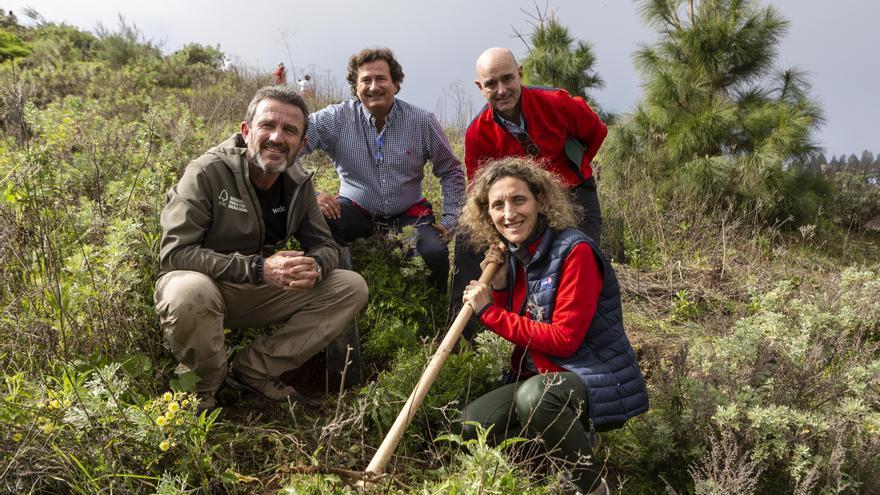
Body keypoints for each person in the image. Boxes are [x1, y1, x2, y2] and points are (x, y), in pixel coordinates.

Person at [155, 86, 368, 410]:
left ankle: (254, 370)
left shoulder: (299, 183)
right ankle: (201, 390)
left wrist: (316, 265)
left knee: (350, 287)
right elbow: (175, 253)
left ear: (301, 143)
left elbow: (325, 245)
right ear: (246, 130)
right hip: (207, 284)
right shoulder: (207, 172)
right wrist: (258, 268)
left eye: (290, 130)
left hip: (257, 289)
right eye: (268, 125)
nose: (277, 137)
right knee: (189, 291)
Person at [458, 157, 648, 495]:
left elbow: (563, 340)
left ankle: (591, 486)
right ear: (487, 214)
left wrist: (487, 310)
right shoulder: (517, 254)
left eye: (519, 200)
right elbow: (526, 321)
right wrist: (500, 288)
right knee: (470, 425)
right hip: (543, 373)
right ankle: (557, 452)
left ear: (540, 201)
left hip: (590, 373)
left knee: (537, 398)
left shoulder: (575, 252)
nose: (508, 213)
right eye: (497, 205)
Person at [450, 46, 608, 336]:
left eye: (508, 79)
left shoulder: (556, 102)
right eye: (491, 84)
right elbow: (480, 193)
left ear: (520, 73)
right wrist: (492, 238)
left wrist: (571, 170)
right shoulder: (477, 133)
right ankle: (467, 337)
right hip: (519, 204)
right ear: (480, 87)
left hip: (572, 193)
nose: (501, 90)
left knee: (580, 255)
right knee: (467, 241)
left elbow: (595, 131)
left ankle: (579, 332)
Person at [303, 47, 465, 291]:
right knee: (320, 223)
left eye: (381, 78)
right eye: (365, 80)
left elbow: (450, 170)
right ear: (355, 87)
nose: (373, 86)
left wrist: (451, 220)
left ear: (396, 83)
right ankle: (334, 291)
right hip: (355, 209)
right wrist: (311, 194)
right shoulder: (336, 118)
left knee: (433, 254)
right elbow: (288, 147)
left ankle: (437, 313)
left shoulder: (422, 121)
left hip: (409, 213)